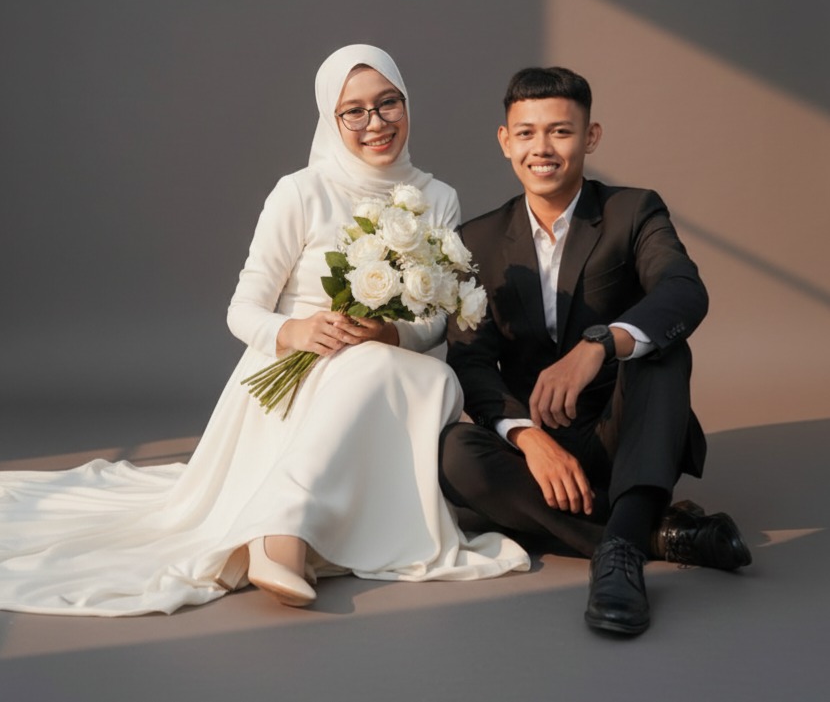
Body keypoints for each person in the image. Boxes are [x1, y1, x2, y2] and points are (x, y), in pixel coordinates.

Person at [0, 44, 528, 616]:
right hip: (297, 373)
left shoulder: (438, 198)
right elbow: (243, 309)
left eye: (388, 104)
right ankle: (283, 531)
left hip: (385, 368)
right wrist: (297, 331)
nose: (375, 123)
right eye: (354, 111)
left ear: (407, 104)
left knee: (421, 375)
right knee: (392, 372)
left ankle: (282, 527)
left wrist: (388, 334)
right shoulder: (301, 191)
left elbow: (434, 321)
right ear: (331, 117)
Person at [439, 65, 751, 637]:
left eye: (560, 131)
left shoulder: (634, 210)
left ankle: (618, 560)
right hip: (540, 452)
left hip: (626, 431)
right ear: (505, 140)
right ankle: (654, 534)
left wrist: (601, 343)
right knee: (452, 451)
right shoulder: (476, 241)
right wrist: (528, 439)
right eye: (526, 132)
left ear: (591, 137)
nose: (542, 148)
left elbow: (683, 290)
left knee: (661, 352)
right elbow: (472, 361)